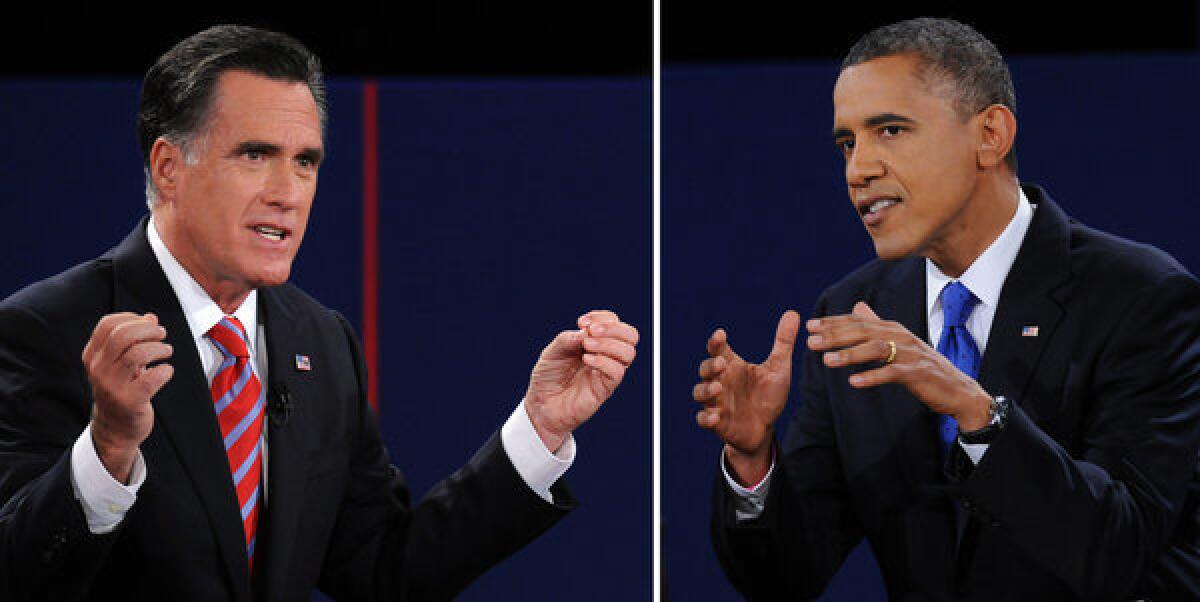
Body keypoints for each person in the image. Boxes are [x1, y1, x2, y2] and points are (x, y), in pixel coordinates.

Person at [0, 25, 639, 601]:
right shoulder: (47, 328)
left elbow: (388, 574)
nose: (287, 194)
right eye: (255, 155)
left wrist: (540, 430)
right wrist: (107, 449)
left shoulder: (322, 343)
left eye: (304, 162)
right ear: (169, 167)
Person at [692, 17, 1200, 601]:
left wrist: (974, 410)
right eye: (847, 143)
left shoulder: (1140, 296)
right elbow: (785, 577)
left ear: (991, 135)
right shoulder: (858, 312)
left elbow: (1120, 549)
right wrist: (753, 457)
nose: (858, 169)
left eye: (890, 130)